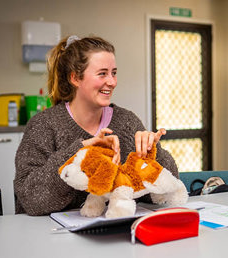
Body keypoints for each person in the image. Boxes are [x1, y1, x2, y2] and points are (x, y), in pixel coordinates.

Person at [14, 35, 178, 216]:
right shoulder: (43, 125)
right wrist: (79, 151)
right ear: (75, 78)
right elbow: (30, 200)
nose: (112, 82)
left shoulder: (128, 122)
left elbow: (169, 191)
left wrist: (152, 154)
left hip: (116, 235)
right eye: (102, 73)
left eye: (114, 73)